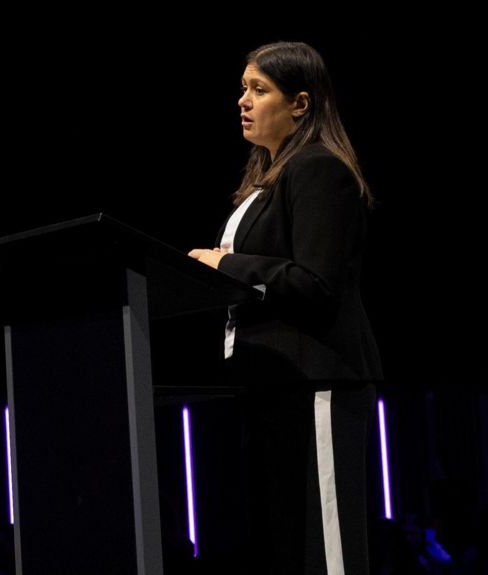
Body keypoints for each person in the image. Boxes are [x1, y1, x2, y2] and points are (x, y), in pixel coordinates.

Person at [188, 41, 382, 574]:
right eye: (243, 89)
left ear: (300, 103)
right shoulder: (264, 182)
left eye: (259, 89)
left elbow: (317, 283)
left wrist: (225, 265)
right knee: (286, 547)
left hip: (316, 377)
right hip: (271, 381)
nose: (242, 101)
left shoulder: (319, 169)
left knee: (328, 549)